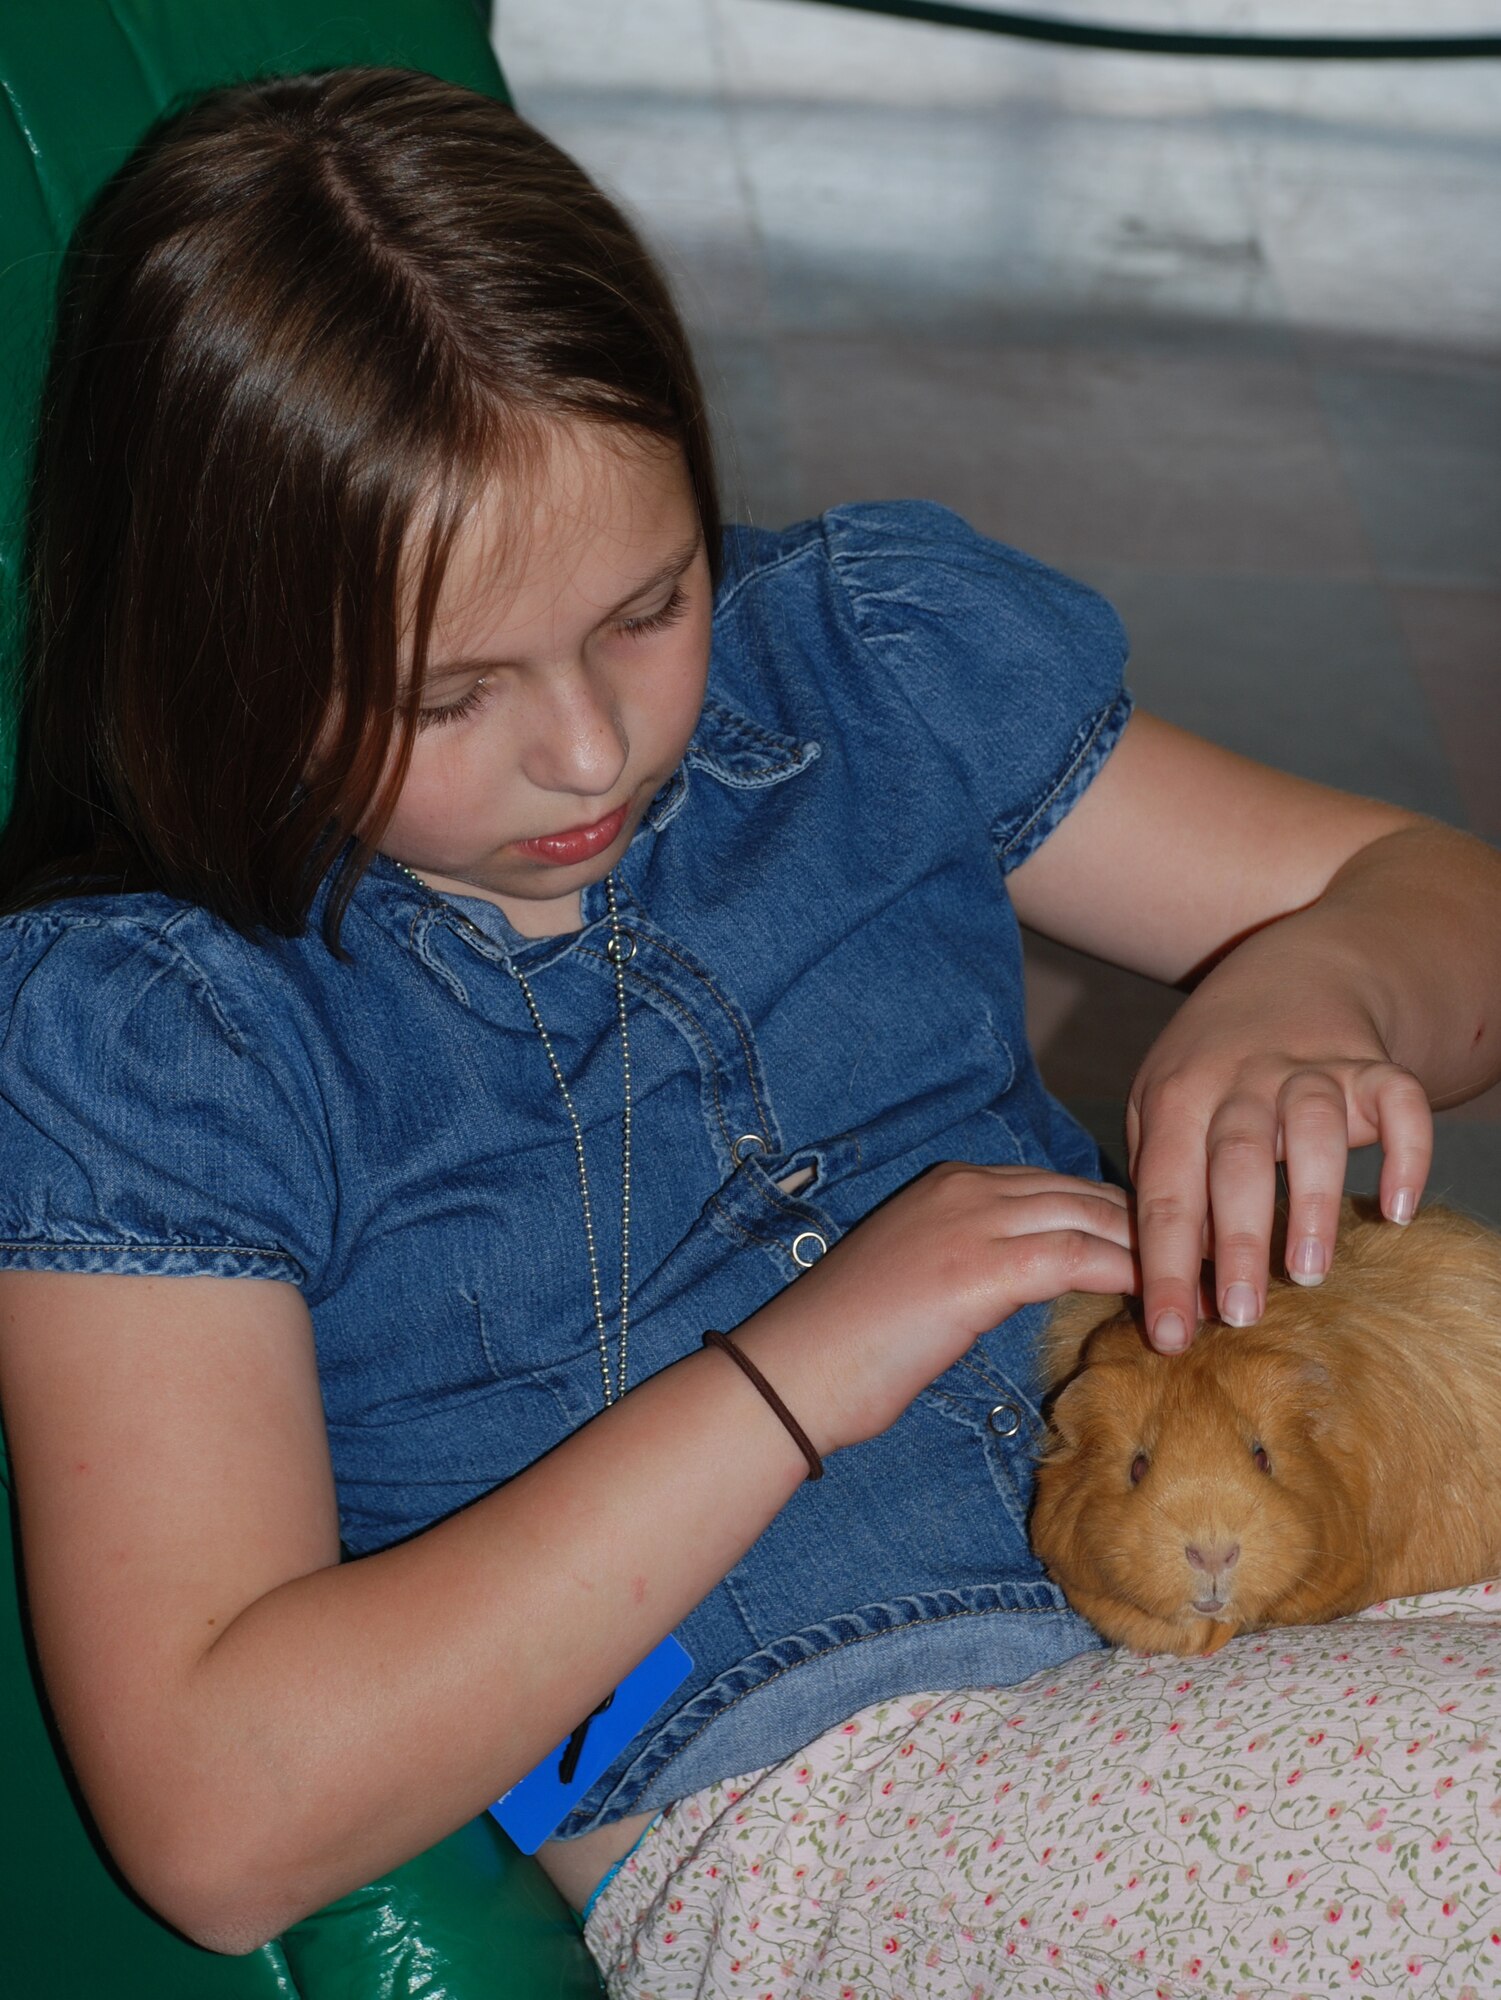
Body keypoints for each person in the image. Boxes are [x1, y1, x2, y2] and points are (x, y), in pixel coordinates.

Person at [0, 65, 1498, 1996]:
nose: (591, 746)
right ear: (213, 641)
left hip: (1278, 1577)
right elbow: (217, 1821)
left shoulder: (856, 659)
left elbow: (1433, 889)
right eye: (445, 694)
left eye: (649, 604)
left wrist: (1320, 984)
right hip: (830, 1776)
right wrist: (799, 1373)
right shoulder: (153, 1034)